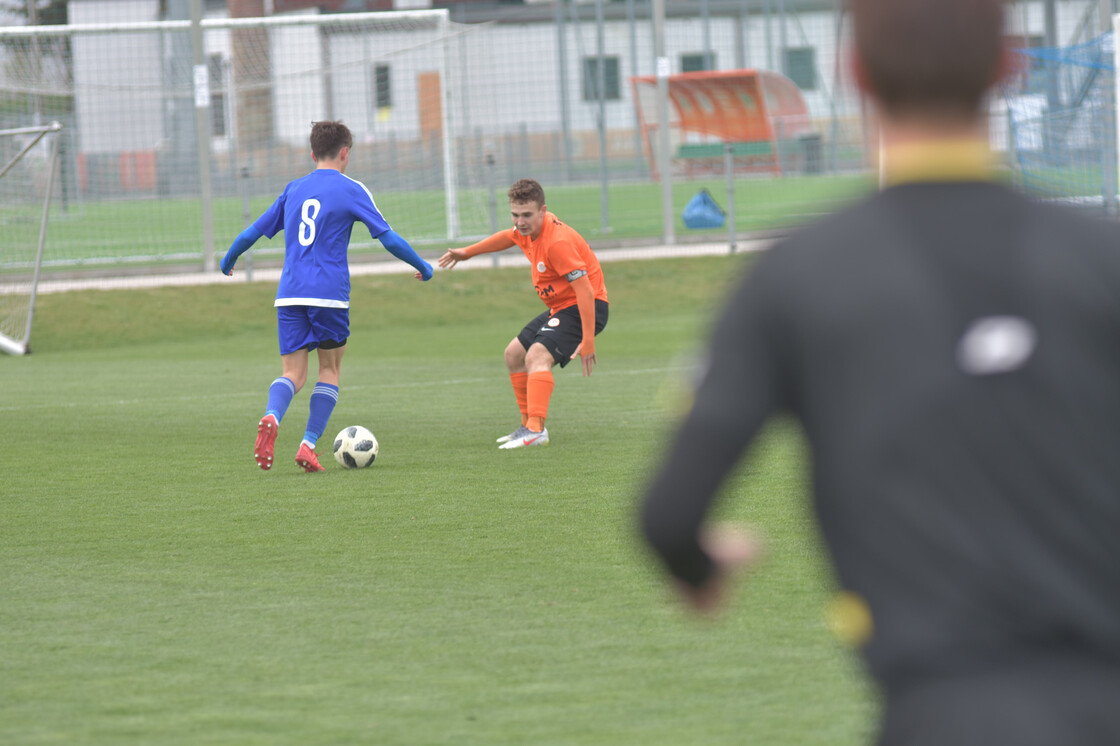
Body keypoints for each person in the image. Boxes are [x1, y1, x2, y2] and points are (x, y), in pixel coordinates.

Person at [639, 0, 1120, 743]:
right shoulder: (1100, 256)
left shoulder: (799, 275)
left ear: (853, 71)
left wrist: (698, 568)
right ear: (1010, 66)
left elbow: (667, 516)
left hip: (937, 713)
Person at [221, 120, 433, 473]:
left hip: (288, 295)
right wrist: (422, 265)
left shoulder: (293, 188)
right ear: (345, 152)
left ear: (312, 152)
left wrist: (229, 259)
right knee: (330, 370)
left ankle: (272, 415)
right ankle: (307, 445)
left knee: (292, 372)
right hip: (330, 295)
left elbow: (252, 232)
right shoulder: (351, 189)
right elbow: (388, 237)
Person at [438, 178, 608, 449]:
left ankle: (536, 431)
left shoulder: (557, 243)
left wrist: (588, 340)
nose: (520, 222)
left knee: (536, 356)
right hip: (562, 307)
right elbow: (508, 236)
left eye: (527, 215)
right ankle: (527, 425)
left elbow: (585, 292)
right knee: (513, 354)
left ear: (543, 210)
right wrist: (467, 253)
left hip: (585, 306)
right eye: (515, 215)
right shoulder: (526, 230)